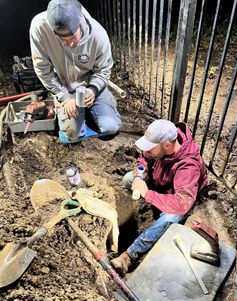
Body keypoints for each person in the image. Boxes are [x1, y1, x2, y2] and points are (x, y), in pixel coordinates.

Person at [111, 119, 208, 273]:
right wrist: (140, 174)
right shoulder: (160, 146)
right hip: (160, 181)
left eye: (151, 149)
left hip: (177, 197)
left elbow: (182, 203)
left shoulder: (189, 166)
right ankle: (133, 212)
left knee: (170, 218)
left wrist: (147, 193)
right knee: (128, 179)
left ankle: (129, 255)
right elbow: (143, 158)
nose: (148, 152)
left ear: (167, 145)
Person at [30, 0, 121, 143]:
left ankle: (93, 108)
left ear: (79, 22)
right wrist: (64, 96)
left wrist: (93, 89)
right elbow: (43, 69)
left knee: (110, 127)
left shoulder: (98, 34)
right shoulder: (39, 28)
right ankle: (75, 114)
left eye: (73, 37)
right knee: (73, 136)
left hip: (90, 83)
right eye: (62, 39)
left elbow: (103, 69)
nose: (70, 44)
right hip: (64, 85)